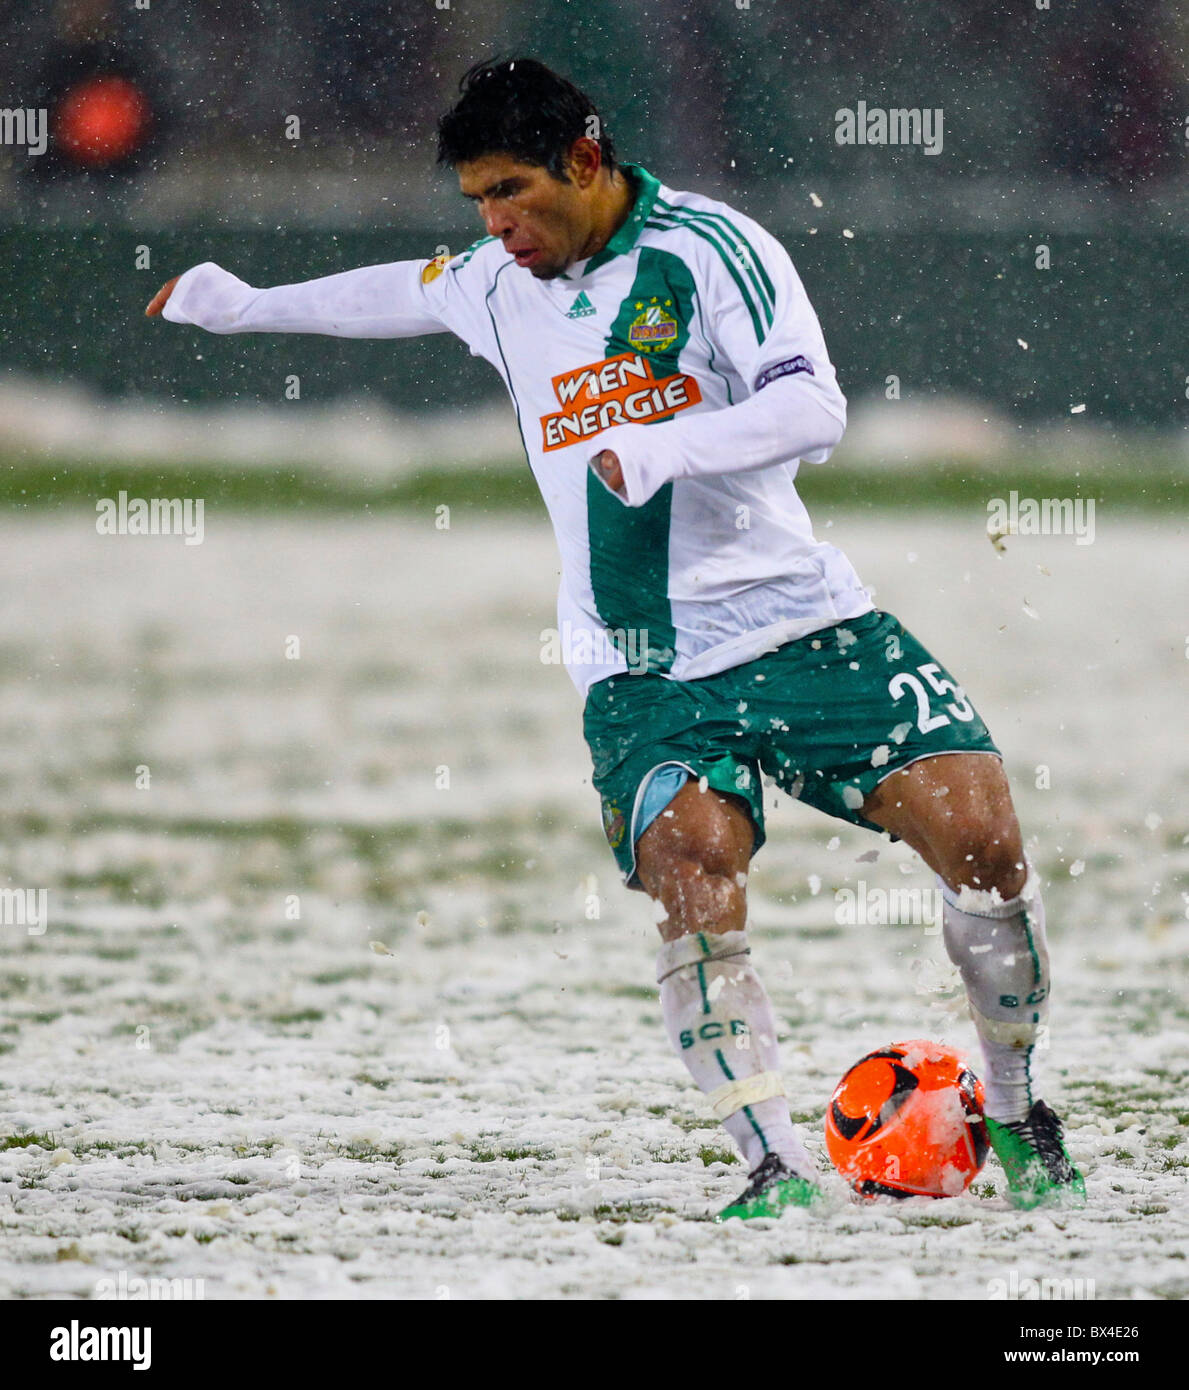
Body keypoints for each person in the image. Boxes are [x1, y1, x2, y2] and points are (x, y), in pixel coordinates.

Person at [146, 57, 1084, 1221]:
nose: (495, 225)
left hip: (797, 615)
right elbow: (402, 288)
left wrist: (663, 447)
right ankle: (771, 1163)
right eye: (477, 201)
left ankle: (1011, 1099)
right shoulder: (496, 278)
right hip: (639, 655)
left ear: (584, 161)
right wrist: (247, 305)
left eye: (513, 193)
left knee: (985, 840)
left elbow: (814, 407)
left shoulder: (710, 251)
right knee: (692, 872)